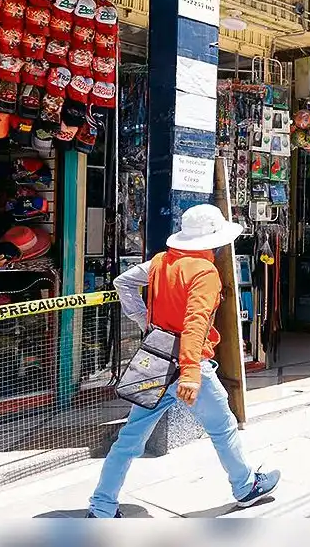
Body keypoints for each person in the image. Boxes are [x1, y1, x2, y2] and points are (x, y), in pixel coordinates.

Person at [87, 205, 281, 518]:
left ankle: (101, 506)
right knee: (223, 428)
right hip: (192, 366)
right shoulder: (205, 272)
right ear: (214, 241)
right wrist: (190, 373)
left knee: (130, 438)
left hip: (158, 359)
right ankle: (245, 487)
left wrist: (145, 323)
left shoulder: (161, 262)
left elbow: (123, 282)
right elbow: (196, 323)